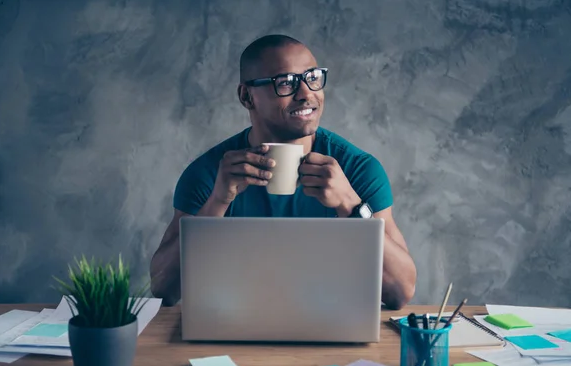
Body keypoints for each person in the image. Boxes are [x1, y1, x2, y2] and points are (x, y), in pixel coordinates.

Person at [150, 34, 417, 310]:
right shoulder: (210, 173)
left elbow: (400, 292)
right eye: (286, 82)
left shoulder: (357, 170)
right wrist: (217, 202)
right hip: (232, 332)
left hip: (331, 331)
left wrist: (350, 205)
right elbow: (164, 289)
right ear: (246, 96)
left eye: (312, 77)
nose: (306, 94)